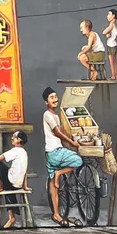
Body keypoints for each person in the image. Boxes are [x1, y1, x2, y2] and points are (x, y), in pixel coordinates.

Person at [42, 87, 84, 226]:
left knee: (53, 185)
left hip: (50, 153)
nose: (55, 99)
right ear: (46, 102)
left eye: (55, 96)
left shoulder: (55, 115)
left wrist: (72, 136)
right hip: (55, 152)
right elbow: (57, 132)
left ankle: (56, 214)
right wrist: (71, 142)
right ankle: (60, 172)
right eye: (51, 97)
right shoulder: (47, 115)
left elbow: (61, 130)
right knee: (78, 160)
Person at [0, 130, 30, 229]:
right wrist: (24, 186)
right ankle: (11, 217)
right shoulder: (24, 152)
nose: (12, 138)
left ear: (18, 140)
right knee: (9, 183)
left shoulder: (15, 150)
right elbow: (25, 171)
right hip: (18, 183)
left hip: (11, 181)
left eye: (14, 137)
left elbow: (0, 158)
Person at [103, 9, 117, 80]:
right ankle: (115, 75)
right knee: (113, 61)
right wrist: (108, 34)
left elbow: (104, 32)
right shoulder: (113, 25)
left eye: (109, 14)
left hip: (111, 45)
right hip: (112, 44)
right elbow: (108, 34)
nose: (107, 16)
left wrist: (106, 33)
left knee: (112, 62)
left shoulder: (112, 25)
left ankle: (114, 75)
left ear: (113, 16)